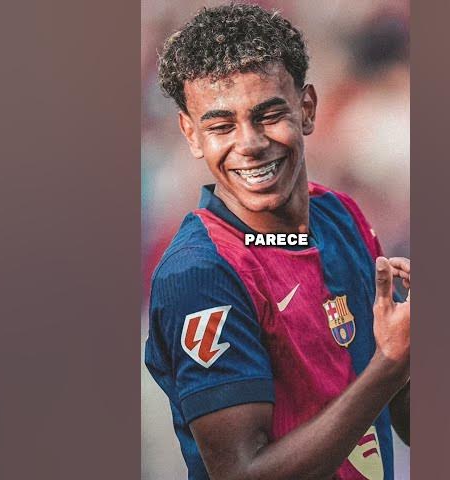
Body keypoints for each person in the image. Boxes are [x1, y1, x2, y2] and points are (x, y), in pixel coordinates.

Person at [144, 4, 410, 479]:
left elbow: (404, 416)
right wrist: (388, 366)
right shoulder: (201, 274)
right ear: (191, 134)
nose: (249, 144)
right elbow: (241, 472)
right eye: (221, 126)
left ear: (306, 109)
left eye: (268, 115)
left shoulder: (340, 215)